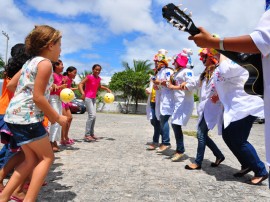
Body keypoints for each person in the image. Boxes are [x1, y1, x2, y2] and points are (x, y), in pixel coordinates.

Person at [188, 0, 270, 186]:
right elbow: (217, 81)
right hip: (234, 107)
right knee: (227, 135)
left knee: (237, 138)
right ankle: (246, 164)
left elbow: (226, 72)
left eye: (211, 55)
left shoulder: (230, 63)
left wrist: (220, 48)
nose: (210, 57)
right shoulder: (218, 68)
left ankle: (260, 169)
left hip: (247, 105)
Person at [0, 25, 68, 202]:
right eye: (60, 44)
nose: (61, 50)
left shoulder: (29, 62)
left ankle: (4, 196)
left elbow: (12, 86)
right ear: (50, 45)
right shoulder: (45, 64)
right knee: (47, 157)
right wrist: (56, 117)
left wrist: (23, 100)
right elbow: (38, 98)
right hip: (27, 118)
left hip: (13, 116)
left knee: (30, 159)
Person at [0, 43, 31, 200]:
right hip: (13, 112)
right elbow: (14, 88)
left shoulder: (10, 69)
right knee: (16, 150)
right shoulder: (21, 70)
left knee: (12, 149)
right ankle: (8, 183)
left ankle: (9, 182)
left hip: (5, 110)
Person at [185, 48, 224, 170]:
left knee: (201, 134)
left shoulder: (220, 70)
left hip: (214, 107)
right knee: (202, 135)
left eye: (204, 57)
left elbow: (226, 85)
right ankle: (219, 155)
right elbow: (194, 83)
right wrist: (181, 85)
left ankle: (197, 162)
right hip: (205, 107)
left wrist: (219, 95)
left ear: (212, 57)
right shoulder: (205, 73)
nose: (202, 59)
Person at [167, 49, 196, 161]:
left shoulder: (187, 71)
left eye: (176, 60)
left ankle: (180, 151)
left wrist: (174, 87)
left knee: (175, 124)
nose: (174, 62)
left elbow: (191, 84)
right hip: (177, 102)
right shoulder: (177, 72)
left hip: (184, 102)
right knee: (174, 124)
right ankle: (179, 150)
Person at [78, 64, 111, 142]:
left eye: (99, 70)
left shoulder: (98, 78)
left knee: (94, 116)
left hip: (93, 98)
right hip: (88, 98)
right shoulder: (89, 77)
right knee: (91, 116)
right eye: (96, 69)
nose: (97, 71)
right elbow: (80, 84)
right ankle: (87, 135)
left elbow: (99, 86)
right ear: (93, 69)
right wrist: (83, 93)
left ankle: (91, 134)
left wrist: (106, 88)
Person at [152, 50, 174, 153]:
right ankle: (164, 142)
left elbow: (170, 83)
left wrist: (159, 82)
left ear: (162, 62)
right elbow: (160, 84)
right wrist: (157, 85)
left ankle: (166, 142)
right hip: (161, 98)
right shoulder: (159, 72)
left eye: (157, 62)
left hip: (167, 98)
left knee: (164, 120)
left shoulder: (168, 70)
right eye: (155, 62)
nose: (155, 64)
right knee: (160, 119)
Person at [49, 59, 67, 152]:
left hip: (59, 99)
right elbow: (50, 88)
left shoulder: (61, 76)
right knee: (55, 120)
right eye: (61, 65)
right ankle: (51, 142)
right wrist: (60, 86)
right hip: (53, 98)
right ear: (56, 65)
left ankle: (55, 140)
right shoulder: (51, 75)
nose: (63, 66)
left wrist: (63, 84)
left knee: (59, 121)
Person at [145, 58, 162, 150]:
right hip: (152, 100)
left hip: (158, 101)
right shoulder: (152, 77)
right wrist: (148, 90)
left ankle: (155, 142)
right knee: (153, 121)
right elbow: (151, 87)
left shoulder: (163, 75)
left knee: (157, 121)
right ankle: (164, 137)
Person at [61, 66, 78, 146]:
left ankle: (66, 137)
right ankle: (62, 139)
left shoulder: (70, 80)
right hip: (61, 101)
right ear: (69, 72)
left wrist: (76, 88)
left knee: (70, 118)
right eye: (74, 73)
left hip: (66, 101)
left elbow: (68, 88)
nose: (75, 75)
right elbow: (62, 88)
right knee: (65, 120)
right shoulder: (65, 78)